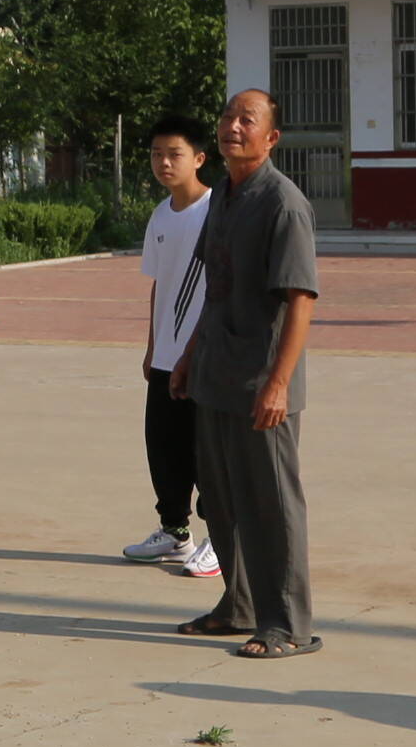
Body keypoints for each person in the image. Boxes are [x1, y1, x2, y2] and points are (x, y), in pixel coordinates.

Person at [169, 88, 318, 656]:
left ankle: (288, 624)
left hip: (262, 382)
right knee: (223, 498)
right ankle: (240, 605)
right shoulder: (224, 197)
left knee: (272, 504)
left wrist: (279, 382)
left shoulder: (283, 204)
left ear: (271, 138)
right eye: (228, 116)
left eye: (246, 119)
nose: (233, 126)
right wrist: (187, 358)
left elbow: (301, 298)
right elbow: (215, 289)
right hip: (216, 374)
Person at [119, 116, 223, 578]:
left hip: (206, 356)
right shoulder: (161, 214)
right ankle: (175, 535)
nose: (164, 162)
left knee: (208, 452)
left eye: (174, 153)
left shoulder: (219, 209)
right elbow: (161, 284)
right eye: (157, 154)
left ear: (199, 159)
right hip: (165, 356)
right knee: (164, 447)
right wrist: (152, 346)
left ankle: (221, 539)